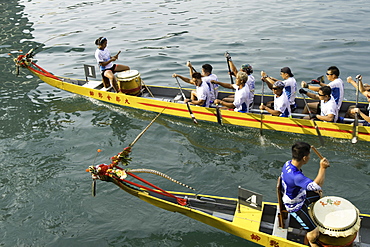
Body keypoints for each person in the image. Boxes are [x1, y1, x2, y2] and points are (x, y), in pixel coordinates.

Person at [281, 142, 330, 236]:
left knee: (318, 193)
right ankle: (312, 242)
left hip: (298, 194)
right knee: (314, 234)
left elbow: (315, 188)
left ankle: (309, 216)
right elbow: (318, 185)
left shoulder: (288, 163)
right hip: (295, 205)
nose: (309, 157)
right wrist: (322, 168)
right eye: (309, 156)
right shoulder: (296, 177)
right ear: (304, 158)